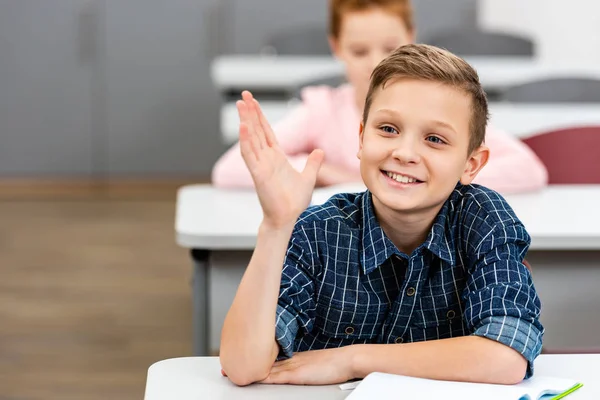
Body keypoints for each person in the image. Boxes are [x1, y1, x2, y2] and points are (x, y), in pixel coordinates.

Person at [219, 44, 543, 387]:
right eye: (388, 129)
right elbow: (244, 367)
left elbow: (506, 357)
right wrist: (276, 225)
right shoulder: (317, 231)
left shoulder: (483, 219)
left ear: (471, 164)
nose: (404, 153)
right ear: (361, 139)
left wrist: (352, 359)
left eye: (434, 139)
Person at [211, 0, 548, 193]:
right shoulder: (322, 110)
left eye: (390, 47)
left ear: (411, 37)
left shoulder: (437, 110)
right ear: (337, 48)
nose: (376, 63)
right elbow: (230, 170)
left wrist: (433, 178)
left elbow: (529, 170)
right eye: (359, 51)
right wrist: (325, 172)